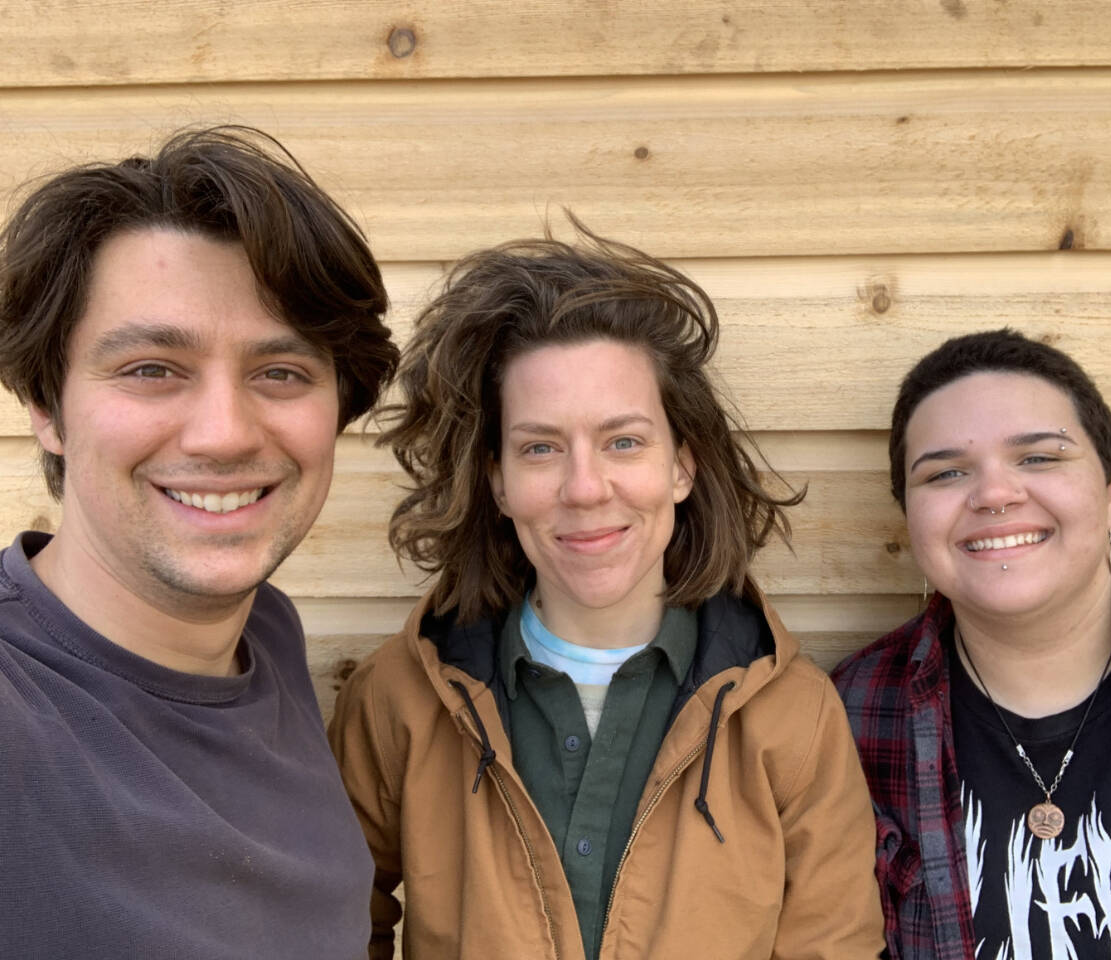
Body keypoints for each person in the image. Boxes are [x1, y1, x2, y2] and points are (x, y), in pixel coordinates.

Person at [328, 222, 885, 960]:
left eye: (624, 441)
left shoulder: (793, 713)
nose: (585, 489)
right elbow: (330, 926)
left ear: (681, 468)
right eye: (540, 448)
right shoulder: (397, 699)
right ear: (496, 481)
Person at [0, 126, 399, 958]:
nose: (223, 435)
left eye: (280, 373)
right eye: (152, 368)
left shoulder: (266, 636)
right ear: (47, 404)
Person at [832, 328, 1111, 960]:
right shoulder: (847, 716)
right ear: (908, 517)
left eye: (1039, 457)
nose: (994, 494)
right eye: (946, 472)